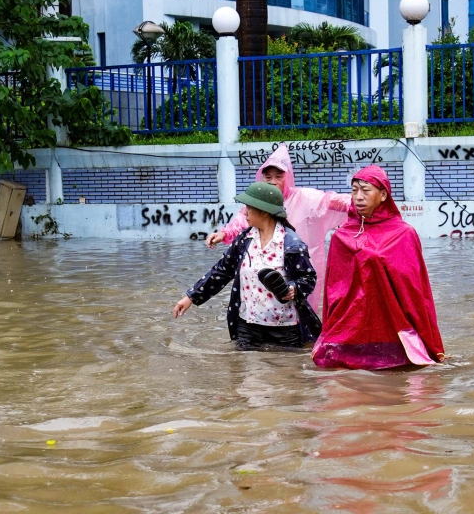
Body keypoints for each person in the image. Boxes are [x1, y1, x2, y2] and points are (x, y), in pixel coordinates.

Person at [312, 165, 445, 369]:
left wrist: (431, 343)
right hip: (351, 325)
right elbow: (333, 293)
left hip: (391, 326)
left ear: (383, 195)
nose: (358, 197)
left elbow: (415, 293)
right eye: (354, 190)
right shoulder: (341, 237)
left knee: (401, 378)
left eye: (365, 190)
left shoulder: (403, 235)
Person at [174, 182, 321, 349]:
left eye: (249, 207)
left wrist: (294, 288)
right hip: (247, 325)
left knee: (284, 372)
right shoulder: (244, 240)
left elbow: (308, 278)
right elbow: (222, 271)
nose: (244, 212)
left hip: (284, 328)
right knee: (243, 372)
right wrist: (191, 297)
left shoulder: (292, 244)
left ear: (265, 212)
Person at [207, 144, 349, 313]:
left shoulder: (304, 198)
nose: (273, 182)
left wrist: (362, 204)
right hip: (267, 269)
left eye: (278, 177)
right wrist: (223, 234)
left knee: (299, 313)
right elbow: (240, 222)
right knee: (264, 309)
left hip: (297, 267)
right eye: (268, 177)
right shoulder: (256, 203)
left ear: (287, 178)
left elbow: (331, 201)